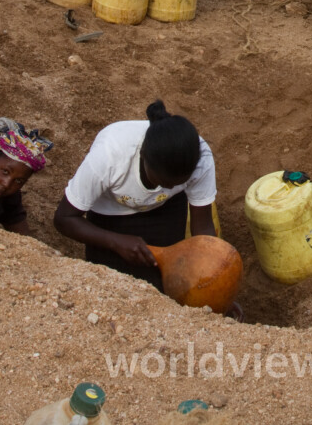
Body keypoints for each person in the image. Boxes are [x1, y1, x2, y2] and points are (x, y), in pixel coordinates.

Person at [53, 100, 218, 291]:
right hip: (110, 216)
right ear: (143, 155)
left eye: (178, 183)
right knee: (107, 286)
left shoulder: (199, 156)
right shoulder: (109, 156)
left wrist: (214, 284)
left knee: (162, 285)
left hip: (165, 211)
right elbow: (64, 218)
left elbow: (203, 227)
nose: (169, 187)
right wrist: (116, 241)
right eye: (163, 182)